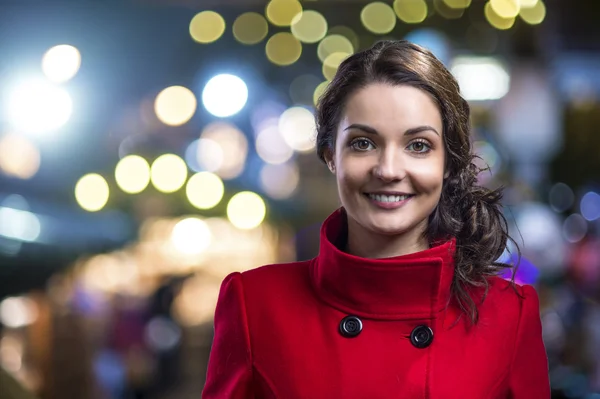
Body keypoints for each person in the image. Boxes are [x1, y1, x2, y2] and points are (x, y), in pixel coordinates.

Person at [202, 40, 550, 398]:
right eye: (363, 143)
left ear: (448, 164)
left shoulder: (510, 314)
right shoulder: (254, 305)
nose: (388, 170)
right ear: (330, 155)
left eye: (418, 146)